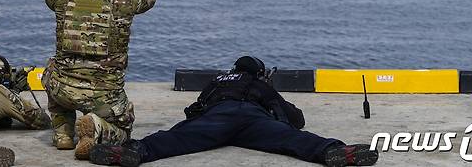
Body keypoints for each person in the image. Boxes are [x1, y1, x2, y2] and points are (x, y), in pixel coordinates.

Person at [89, 56, 379, 167]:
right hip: (252, 119)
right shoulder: (257, 83)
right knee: (294, 141)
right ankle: (334, 152)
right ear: (259, 73)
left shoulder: (216, 82)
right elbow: (293, 119)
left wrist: (199, 127)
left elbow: (193, 112)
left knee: (170, 139)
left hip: (215, 118)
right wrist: (273, 115)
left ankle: (133, 151)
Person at [43, 0, 156, 159]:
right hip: (104, 97)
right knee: (124, 132)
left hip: (62, 89)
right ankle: (95, 127)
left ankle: (63, 133)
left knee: (50, 69)